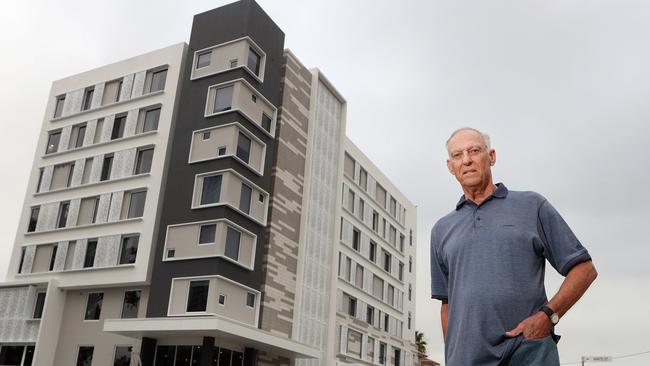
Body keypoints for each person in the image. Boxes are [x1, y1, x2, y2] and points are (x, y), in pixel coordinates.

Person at [430, 127, 598, 366]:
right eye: (458, 155)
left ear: (491, 156)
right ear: (450, 166)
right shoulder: (441, 229)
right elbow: (447, 305)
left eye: (474, 150)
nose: (466, 159)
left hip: (528, 352)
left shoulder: (532, 206)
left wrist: (547, 317)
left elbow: (584, 270)